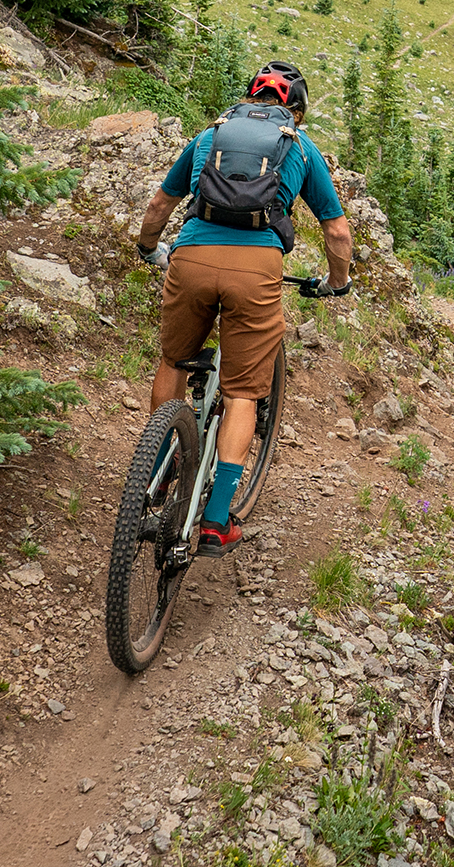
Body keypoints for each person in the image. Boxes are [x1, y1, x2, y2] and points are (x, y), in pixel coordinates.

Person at [132, 63, 351, 557]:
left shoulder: (211, 135)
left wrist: (150, 249)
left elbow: (157, 209)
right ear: (295, 108)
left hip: (190, 259)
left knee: (173, 360)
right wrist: (337, 282)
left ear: (249, 99)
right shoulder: (298, 145)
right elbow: (337, 232)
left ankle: (159, 473)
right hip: (256, 271)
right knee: (242, 393)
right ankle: (214, 522)